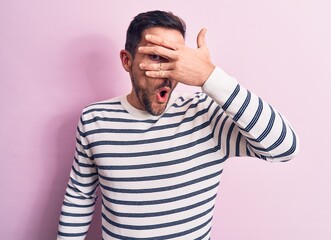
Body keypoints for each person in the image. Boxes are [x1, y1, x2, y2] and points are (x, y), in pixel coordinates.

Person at [57, 10, 299, 240]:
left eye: (175, 58)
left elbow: (285, 147)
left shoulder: (206, 115)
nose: (167, 71)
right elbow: (80, 197)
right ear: (127, 60)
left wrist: (209, 76)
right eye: (155, 57)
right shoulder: (94, 119)